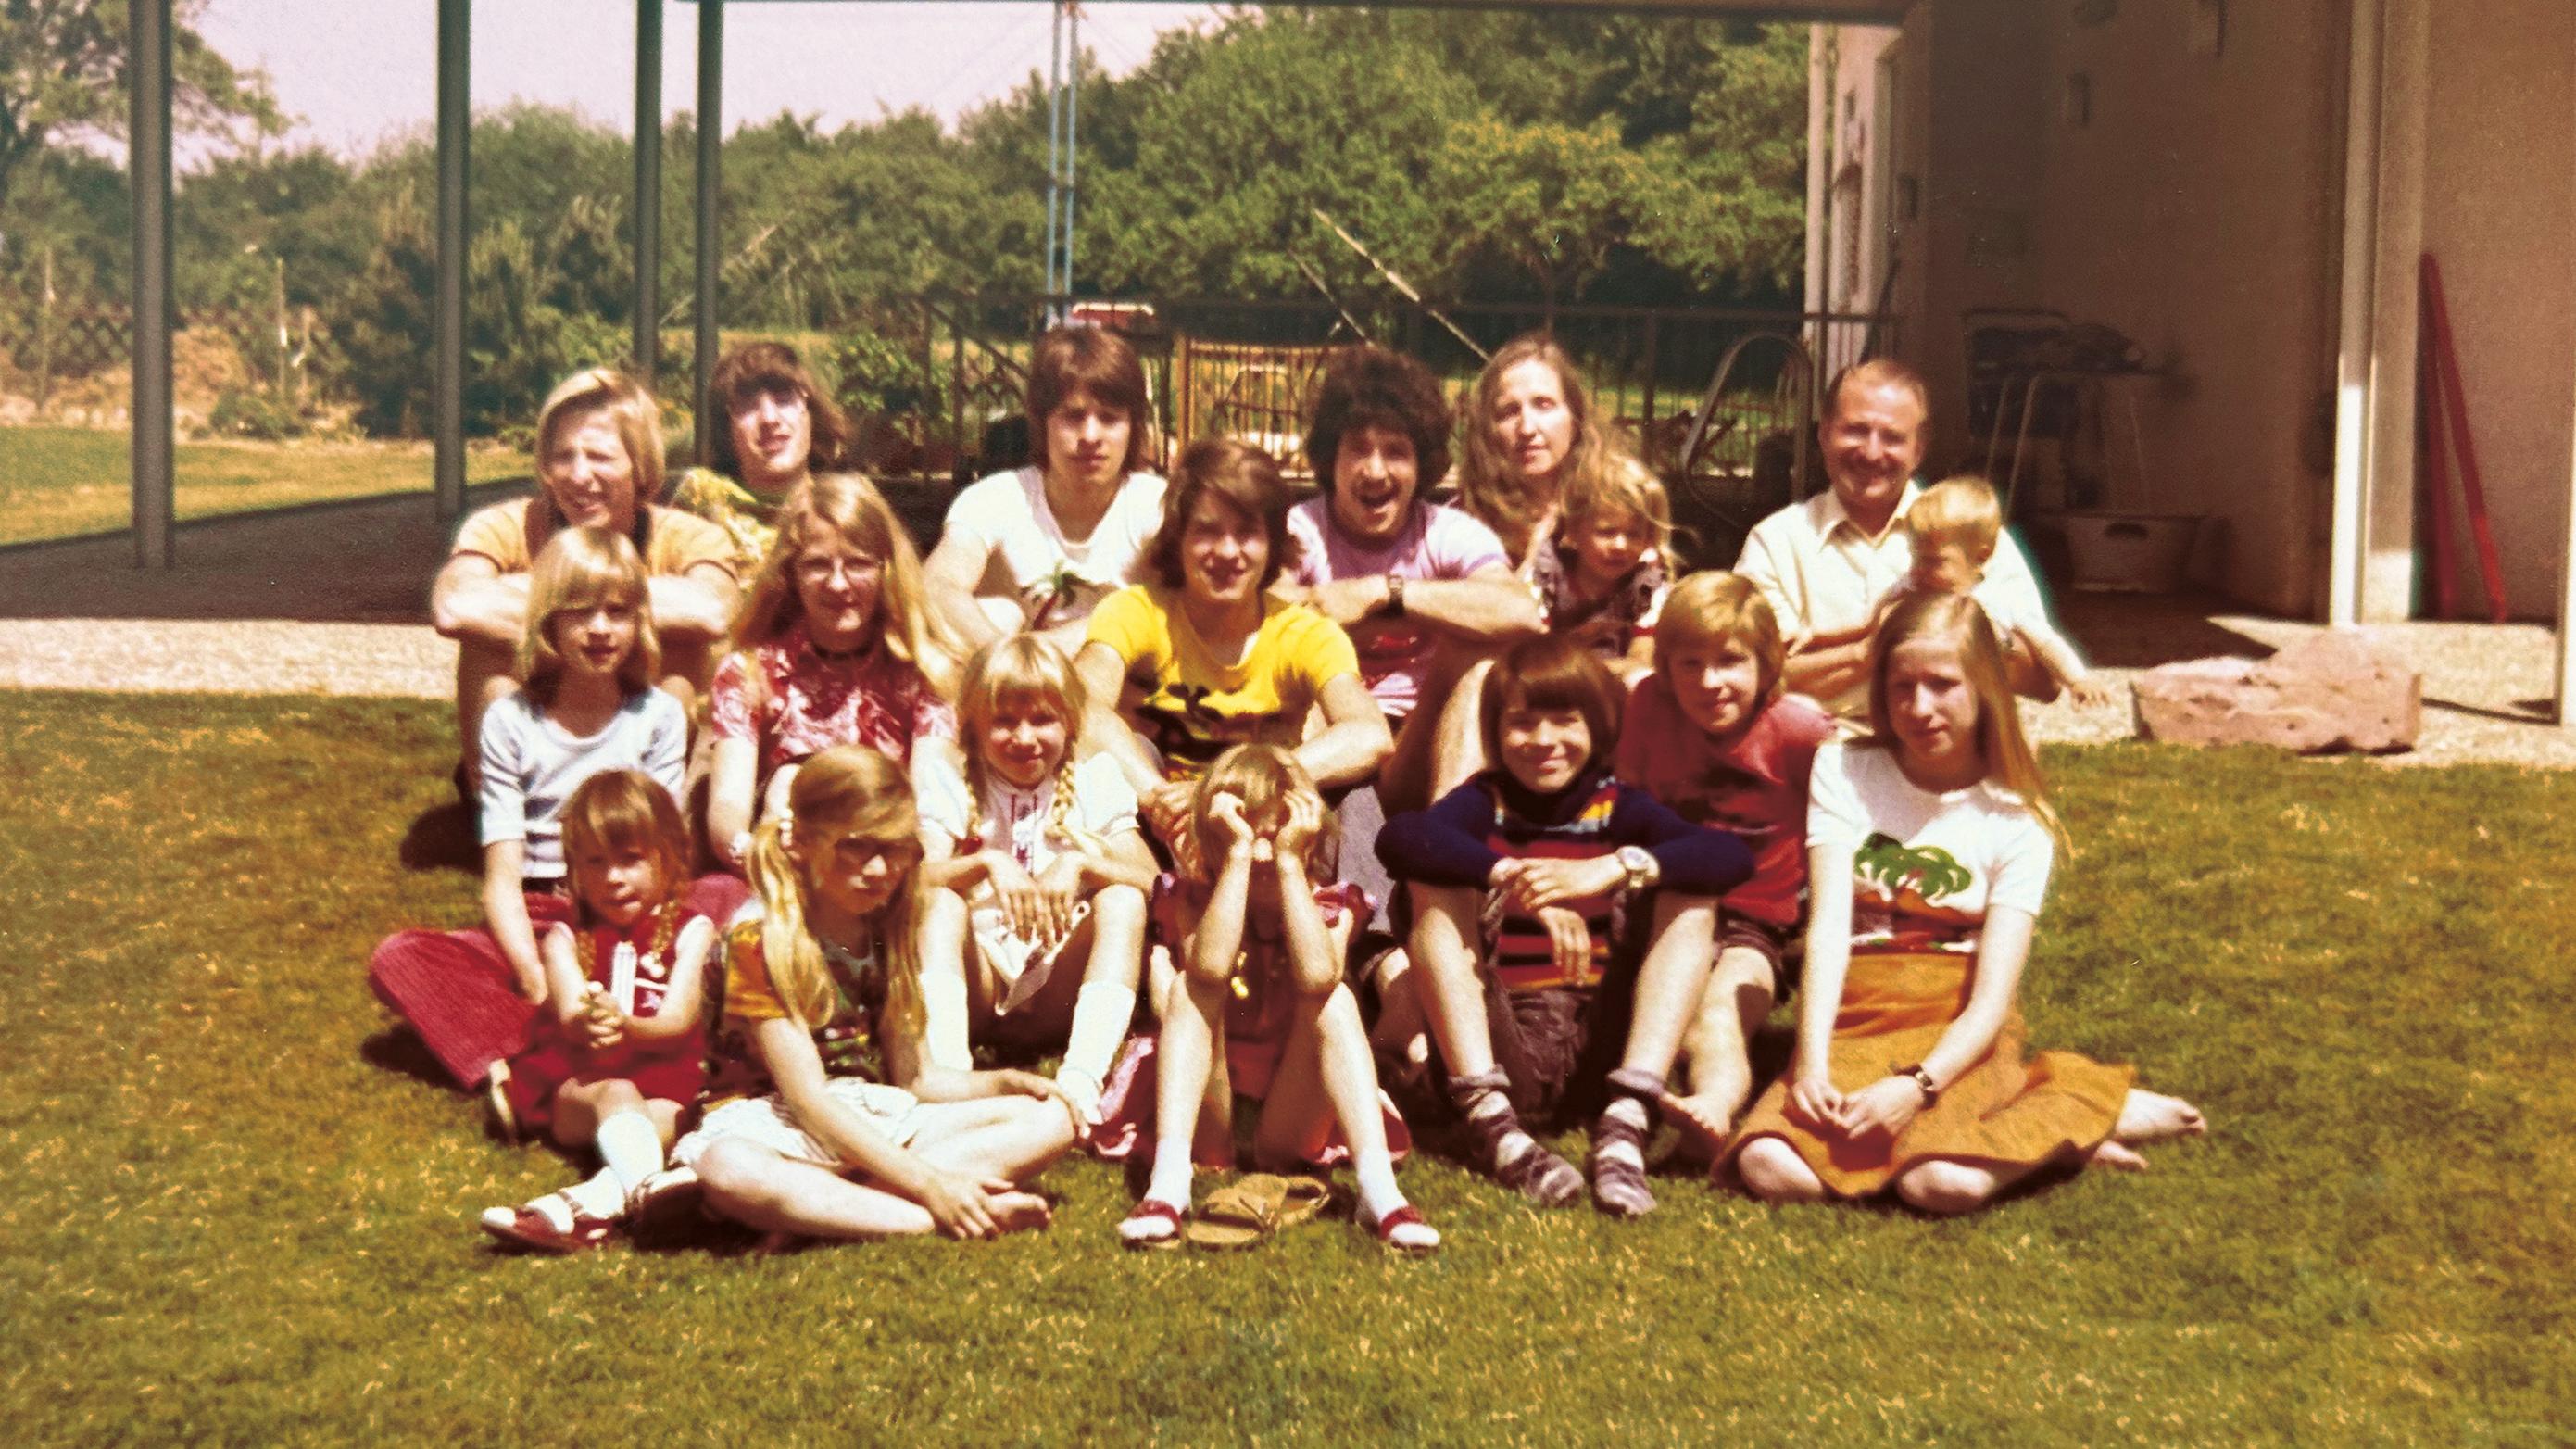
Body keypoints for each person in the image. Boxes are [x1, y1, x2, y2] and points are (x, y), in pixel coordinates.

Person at [1727, 592, 2205, 1213]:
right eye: (1901, 687)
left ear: (1984, 687)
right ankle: (2015, 1132)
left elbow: (1992, 998)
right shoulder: (1844, 770)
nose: (1919, 708)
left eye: (1942, 685)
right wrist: (1810, 1064)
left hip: (1953, 1019)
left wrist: (1917, 1087)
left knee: (1939, 1185)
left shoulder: (2016, 818)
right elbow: (1828, 929)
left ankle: (2074, 1107)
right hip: (1856, 1010)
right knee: (1770, 1168)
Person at [1376, 636, 1752, 1215]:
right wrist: (1510, 876)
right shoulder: (1486, 802)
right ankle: (1490, 1121)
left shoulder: (1615, 805)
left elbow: (1729, 858)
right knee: (1431, 883)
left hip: (1601, 1044)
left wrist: (1614, 867)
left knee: (1691, 892)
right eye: (1522, 723)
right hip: (1503, 1040)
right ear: (1496, 732)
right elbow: (1401, 838)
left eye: (1564, 721)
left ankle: (1628, 1118)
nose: (1544, 740)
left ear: (1596, 727)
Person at [674, 747, 1081, 1242]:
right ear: (800, 843)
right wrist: (932, 1186)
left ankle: (830, 1209)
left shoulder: (887, 928)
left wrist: (1001, 1082)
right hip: (773, 1121)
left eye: (894, 849)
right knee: (730, 1167)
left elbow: (916, 1079)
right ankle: (932, 1213)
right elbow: (807, 1099)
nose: (878, 869)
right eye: (857, 847)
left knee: (1051, 1118)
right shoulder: (759, 939)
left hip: (869, 1112)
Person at [372, 527, 692, 1109]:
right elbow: (502, 875)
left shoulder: (658, 716)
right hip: (543, 909)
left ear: (639, 621)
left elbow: (665, 857)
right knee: (402, 957)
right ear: (548, 621)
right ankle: (527, 1055)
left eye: (617, 612)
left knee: (724, 901)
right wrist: (535, 975)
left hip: (631, 906)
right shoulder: (511, 720)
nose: (600, 628)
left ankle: (554, 1049)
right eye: (581, 612)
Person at [1114, 746, 1438, 1254]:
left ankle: (1380, 1192)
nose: (1262, 852)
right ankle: (1169, 1184)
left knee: (1334, 999)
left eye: (1276, 835)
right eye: (1243, 834)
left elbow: (1317, 976)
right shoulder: (1191, 897)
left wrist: (1290, 863)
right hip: (1209, 1104)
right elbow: (1209, 968)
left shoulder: (1332, 903)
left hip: (1290, 1109)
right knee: (1187, 989)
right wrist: (1236, 860)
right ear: (1214, 838)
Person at [1075, 437, 1391, 864]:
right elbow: (1078, 706)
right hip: (1166, 824)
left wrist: (1236, 785)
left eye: (1247, 534)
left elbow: (1370, 734)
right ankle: (1134, 896)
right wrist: (1156, 797)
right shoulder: (1137, 612)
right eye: (1207, 531)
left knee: (1356, 792)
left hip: (1268, 821)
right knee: (1107, 761)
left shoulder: (1305, 632)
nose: (1227, 552)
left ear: (1272, 544)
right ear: (1179, 539)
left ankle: (1365, 910)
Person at [1606, 573, 1837, 1153]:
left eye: (1730, 661)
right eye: (1690, 664)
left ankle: (1713, 1103)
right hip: (1660, 904)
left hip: (1752, 922)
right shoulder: (1649, 708)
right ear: (1664, 665)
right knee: (1664, 1014)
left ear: (1767, 662)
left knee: (1717, 1015)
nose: (1710, 683)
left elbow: (1852, 811)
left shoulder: (1798, 732)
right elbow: (1624, 800)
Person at [431, 368, 736, 794]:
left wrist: (556, 601)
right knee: (485, 647)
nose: (578, 475)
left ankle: (648, 806)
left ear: (640, 464)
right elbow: (455, 607)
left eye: (599, 457)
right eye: (563, 457)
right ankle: (507, 805)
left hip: (640, 761)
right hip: (531, 756)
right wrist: (609, 607)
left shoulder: (689, 536)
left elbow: (714, 611)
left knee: (685, 649)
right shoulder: (503, 525)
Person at [1275, 345, 1543, 822]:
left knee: (1479, 662)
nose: (1375, 470)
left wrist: (1385, 593)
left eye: (1396, 452)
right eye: (1358, 449)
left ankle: (1446, 842)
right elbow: (1265, 613)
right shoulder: (1300, 529)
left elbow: (1520, 611)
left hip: (1421, 745)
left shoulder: (1447, 532)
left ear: (1422, 465)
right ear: (1330, 459)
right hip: (1328, 745)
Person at [915, 636, 1159, 1127]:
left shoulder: (1093, 778)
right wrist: (987, 863)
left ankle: (1082, 1080)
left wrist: (1082, 866)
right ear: (972, 725)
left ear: (1070, 723)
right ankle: (950, 1074)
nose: (1024, 738)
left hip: (1057, 983)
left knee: (1124, 900)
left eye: (1042, 720)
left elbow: (1155, 884)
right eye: (1003, 721)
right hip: (980, 983)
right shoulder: (951, 780)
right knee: (939, 903)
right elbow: (915, 880)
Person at [1733, 358, 2061, 723]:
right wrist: (1869, 651)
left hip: (1943, 745)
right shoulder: (1775, 542)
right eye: (1856, 430)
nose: (1872, 452)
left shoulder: (1971, 533)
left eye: (1892, 437)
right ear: (1823, 434)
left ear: (1918, 450)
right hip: (1821, 745)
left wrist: (1985, 632)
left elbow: (2045, 683)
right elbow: (1753, 677)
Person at [477, 771, 714, 1253]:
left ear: (670, 857)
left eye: (630, 860)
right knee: (619, 1093)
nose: (613, 878)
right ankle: (649, 1197)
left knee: (669, 1119)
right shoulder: (565, 938)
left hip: (669, 1079)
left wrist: (627, 1027)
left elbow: (677, 1022)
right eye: (595, 862)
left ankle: (577, 1209)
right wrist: (590, 1023)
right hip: (580, 1086)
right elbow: (569, 1017)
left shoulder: (694, 932)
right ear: (575, 873)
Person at [705, 472, 961, 874]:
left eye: (858, 563)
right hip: (787, 865)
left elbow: (934, 812)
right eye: (817, 565)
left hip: (888, 865)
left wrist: (902, 874)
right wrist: (755, 855)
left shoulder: (926, 672)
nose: (838, 584)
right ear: (791, 574)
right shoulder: (749, 673)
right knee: (787, 782)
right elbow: (727, 805)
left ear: (886, 569)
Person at [924, 325, 1168, 655]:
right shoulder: (997, 498)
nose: (1090, 436)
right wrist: (1013, 662)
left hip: (1115, 677)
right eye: (1073, 417)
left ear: (1133, 427)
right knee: (1000, 611)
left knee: (1135, 616)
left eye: (1109, 418)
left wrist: (1039, 653)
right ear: (1042, 421)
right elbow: (936, 587)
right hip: (1001, 676)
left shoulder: (1156, 505)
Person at [1883, 476, 2107, 706]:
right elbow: (1879, 617)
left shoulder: (1998, 601)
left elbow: (2045, 642)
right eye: (1914, 557)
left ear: (1981, 557)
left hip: (1980, 705)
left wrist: (2077, 680)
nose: (1917, 569)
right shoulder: (1912, 587)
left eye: (1933, 561)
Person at [669, 341, 860, 569]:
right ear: (726, 426)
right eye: (747, 405)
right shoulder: (699, 499)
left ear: (810, 412)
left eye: (784, 400)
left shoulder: (845, 503)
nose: (769, 419)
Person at [1529, 462, 1675, 678]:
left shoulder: (1646, 589)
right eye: (1607, 532)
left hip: (1616, 685)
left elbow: (1640, 661)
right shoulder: (1547, 576)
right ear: (1574, 531)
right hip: (1552, 681)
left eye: (1633, 535)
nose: (1620, 545)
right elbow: (1535, 653)